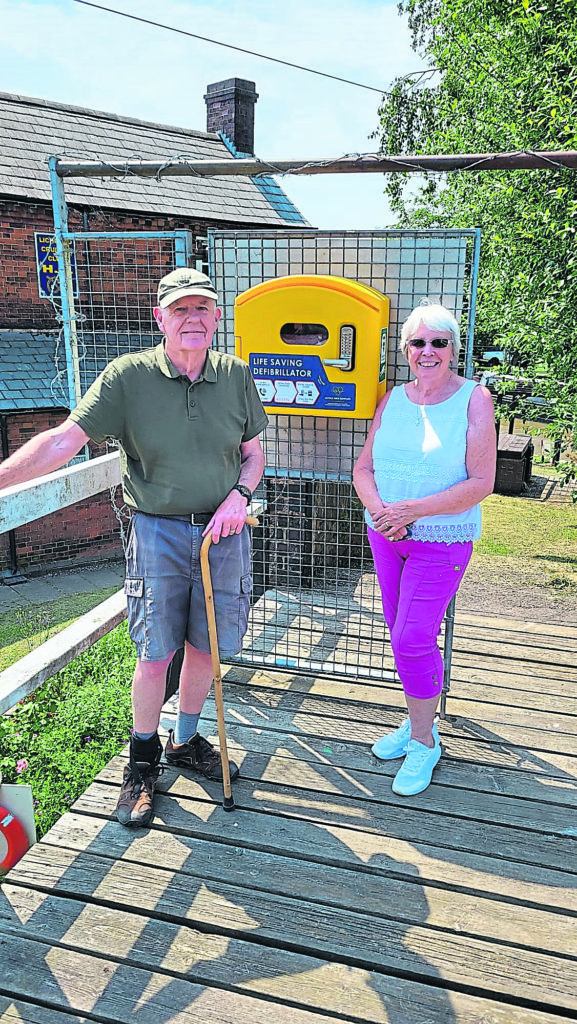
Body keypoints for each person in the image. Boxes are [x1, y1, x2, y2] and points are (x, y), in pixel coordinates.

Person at [0, 267, 268, 827]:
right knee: (154, 654)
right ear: (160, 319)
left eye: (203, 308)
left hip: (225, 532)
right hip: (159, 532)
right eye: (180, 310)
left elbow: (253, 454)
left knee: (206, 648)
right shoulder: (127, 377)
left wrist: (240, 496)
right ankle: (141, 765)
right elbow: (62, 441)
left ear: (218, 318)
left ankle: (185, 740)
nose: (192, 318)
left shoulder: (237, 376)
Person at [353, 301, 495, 796]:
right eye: (418, 342)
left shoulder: (475, 400)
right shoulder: (392, 398)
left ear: (455, 349)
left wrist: (413, 510)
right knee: (401, 635)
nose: (428, 351)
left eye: (439, 342)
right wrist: (380, 512)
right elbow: (363, 469)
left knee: (412, 639)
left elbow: (482, 481)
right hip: (387, 535)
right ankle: (421, 725)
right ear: (405, 350)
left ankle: (423, 743)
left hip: (442, 538)